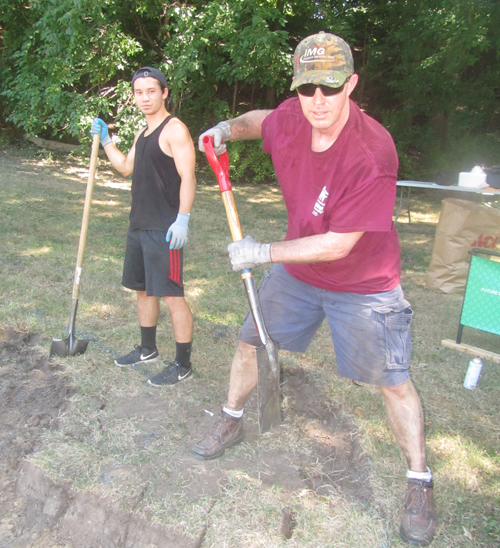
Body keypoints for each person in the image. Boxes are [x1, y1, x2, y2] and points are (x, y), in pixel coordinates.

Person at [194, 33, 437, 546]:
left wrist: (263, 253)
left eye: (330, 88)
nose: (318, 102)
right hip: (300, 275)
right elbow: (265, 119)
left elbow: (339, 245)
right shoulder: (294, 115)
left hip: (364, 283)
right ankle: (231, 418)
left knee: (392, 380)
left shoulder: (373, 151)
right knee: (249, 341)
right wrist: (226, 129)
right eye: (308, 89)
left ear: (351, 84)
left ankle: (419, 479)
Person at [90, 66, 196, 386]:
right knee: (142, 290)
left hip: (165, 228)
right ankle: (147, 348)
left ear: (164, 93)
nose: (145, 97)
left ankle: (182, 364)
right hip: (139, 224)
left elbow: (189, 177)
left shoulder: (174, 129)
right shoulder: (143, 133)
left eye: (152, 91)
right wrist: (107, 139)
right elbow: (124, 167)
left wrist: (183, 218)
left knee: (172, 296)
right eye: (139, 92)